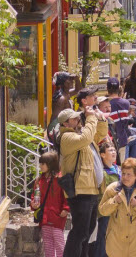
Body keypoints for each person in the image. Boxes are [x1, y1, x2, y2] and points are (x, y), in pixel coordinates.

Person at [57, 107, 108, 257]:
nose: (78, 119)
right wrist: (91, 118)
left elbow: (100, 134)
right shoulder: (67, 138)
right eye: (74, 119)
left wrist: (100, 119)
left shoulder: (81, 135)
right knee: (80, 231)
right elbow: (86, 138)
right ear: (65, 124)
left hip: (91, 189)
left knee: (88, 230)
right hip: (81, 191)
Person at [98, 158, 136, 257]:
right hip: (116, 242)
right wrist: (114, 201)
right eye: (123, 173)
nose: (125, 177)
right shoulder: (112, 189)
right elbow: (102, 210)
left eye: (129, 174)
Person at [31, 151, 68, 257]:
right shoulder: (39, 181)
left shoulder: (59, 179)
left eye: (43, 163)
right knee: (48, 245)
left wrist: (66, 208)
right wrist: (33, 204)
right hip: (44, 218)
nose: (40, 166)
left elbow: (66, 196)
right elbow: (34, 196)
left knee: (59, 244)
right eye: (40, 163)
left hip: (57, 217)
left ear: (51, 164)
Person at [90, 142, 121, 257]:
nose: (114, 152)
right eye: (110, 151)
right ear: (102, 155)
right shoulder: (102, 173)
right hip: (106, 212)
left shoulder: (118, 169)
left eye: (114, 150)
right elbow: (102, 194)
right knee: (103, 239)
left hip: (118, 211)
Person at [104, 78, 130, 162]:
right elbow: (126, 122)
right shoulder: (126, 103)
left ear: (107, 88)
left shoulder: (104, 103)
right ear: (118, 88)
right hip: (122, 137)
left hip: (109, 138)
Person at [49, 72, 79, 138]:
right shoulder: (61, 99)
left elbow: (78, 90)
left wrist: (77, 79)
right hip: (63, 130)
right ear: (63, 83)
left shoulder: (67, 94)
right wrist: (51, 132)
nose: (72, 81)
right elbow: (55, 117)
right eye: (69, 79)